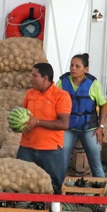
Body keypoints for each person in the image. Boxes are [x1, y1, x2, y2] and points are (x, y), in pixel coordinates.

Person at [17, 62, 72, 193]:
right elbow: (25, 117)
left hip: (50, 150)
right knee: (21, 183)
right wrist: (19, 125)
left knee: (55, 187)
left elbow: (64, 124)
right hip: (26, 148)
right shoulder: (30, 93)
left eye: (34, 75)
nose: (31, 78)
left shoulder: (61, 96)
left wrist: (38, 122)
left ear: (45, 78)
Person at [56, 54, 107, 178]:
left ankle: (102, 195)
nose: (73, 68)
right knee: (61, 162)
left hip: (89, 129)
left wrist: (101, 126)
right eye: (72, 65)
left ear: (86, 69)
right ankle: (56, 191)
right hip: (68, 128)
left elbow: (103, 105)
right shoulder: (62, 82)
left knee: (96, 164)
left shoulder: (93, 84)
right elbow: (54, 100)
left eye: (77, 66)